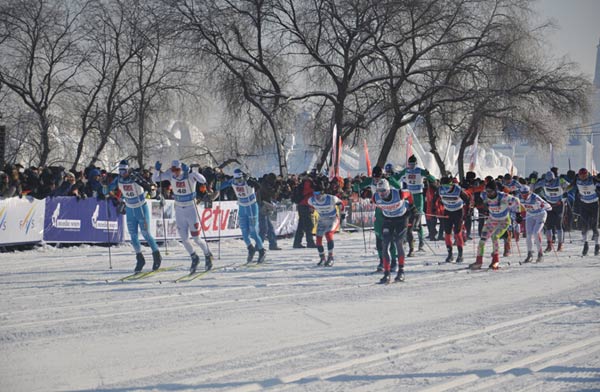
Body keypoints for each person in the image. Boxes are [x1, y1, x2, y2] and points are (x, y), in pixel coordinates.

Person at [153, 160, 213, 273]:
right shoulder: (171, 175)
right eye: (173, 169)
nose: (175, 172)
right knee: (184, 239)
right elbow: (155, 179)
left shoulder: (190, 175)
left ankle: (207, 254)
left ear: (181, 168)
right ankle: (194, 257)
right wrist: (156, 170)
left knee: (196, 238)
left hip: (191, 209)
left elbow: (203, 180)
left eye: (177, 170)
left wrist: (191, 171)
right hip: (179, 209)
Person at [106, 160, 162, 273]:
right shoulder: (119, 179)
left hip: (141, 208)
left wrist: (154, 192)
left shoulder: (135, 177)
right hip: (130, 209)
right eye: (120, 171)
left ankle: (156, 255)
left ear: (128, 169)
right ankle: (140, 258)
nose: (122, 173)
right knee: (133, 236)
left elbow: (147, 185)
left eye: (124, 171)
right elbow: (108, 189)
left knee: (146, 233)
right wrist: (104, 186)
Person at [469, 180, 521, 270]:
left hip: (504, 221)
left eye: (490, 191)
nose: (488, 193)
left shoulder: (503, 196)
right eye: (487, 191)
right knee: (482, 240)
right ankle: (478, 261)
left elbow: (516, 200)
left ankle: (495, 260)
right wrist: (474, 204)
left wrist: (518, 214)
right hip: (492, 220)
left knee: (495, 237)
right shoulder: (484, 194)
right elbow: (476, 196)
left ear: (495, 190)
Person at [220, 168, 266, 263]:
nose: (239, 182)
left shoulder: (247, 181)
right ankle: (250, 249)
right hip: (242, 207)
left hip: (251, 207)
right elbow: (219, 187)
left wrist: (252, 182)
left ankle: (262, 251)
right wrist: (218, 180)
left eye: (240, 179)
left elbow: (259, 187)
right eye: (237, 180)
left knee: (253, 232)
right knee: (244, 233)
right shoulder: (232, 181)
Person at [393, 155, 436, 251]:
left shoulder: (420, 170)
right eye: (409, 164)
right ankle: (406, 240)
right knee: (406, 217)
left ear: (416, 164)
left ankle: (421, 242)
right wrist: (391, 177)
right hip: (409, 196)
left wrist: (428, 174)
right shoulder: (406, 170)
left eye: (412, 164)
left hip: (418, 196)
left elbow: (433, 179)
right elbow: (397, 177)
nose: (411, 166)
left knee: (418, 218)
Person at [372, 179, 410, 284]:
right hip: (388, 220)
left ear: (388, 189)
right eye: (379, 191)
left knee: (398, 242)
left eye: (383, 190)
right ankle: (386, 273)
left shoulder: (399, 193)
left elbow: (409, 195)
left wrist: (412, 207)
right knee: (385, 244)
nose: (382, 194)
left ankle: (401, 271)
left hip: (401, 219)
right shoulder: (376, 198)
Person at [307, 180, 343, 266]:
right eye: (315, 193)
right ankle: (322, 258)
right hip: (322, 220)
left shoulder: (331, 198)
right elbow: (310, 207)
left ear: (323, 193)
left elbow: (341, 203)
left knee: (328, 234)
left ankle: (330, 257)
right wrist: (311, 211)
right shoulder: (311, 200)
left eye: (318, 193)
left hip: (332, 218)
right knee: (318, 239)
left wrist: (343, 215)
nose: (317, 196)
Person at [534, 170, 568, 252]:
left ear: (554, 178)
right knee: (548, 225)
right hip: (549, 205)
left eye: (551, 181)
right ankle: (549, 244)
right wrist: (533, 181)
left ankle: (560, 244)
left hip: (559, 205)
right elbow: (533, 188)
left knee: (558, 225)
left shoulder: (559, 180)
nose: (550, 183)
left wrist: (564, 184)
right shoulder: (544, 182)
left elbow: (568, 187)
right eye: (548, 181)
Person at [438, 176, 470, 263]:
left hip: (458, 212)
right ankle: (450, 254)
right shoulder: (440, 189)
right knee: (447, 233)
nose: (446, 189)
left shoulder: (458, 190)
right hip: (447, 211)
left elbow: (467, 200)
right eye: (444, 186)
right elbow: (437, 199)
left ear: (452, 185)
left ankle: (460, 254)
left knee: (457, 232)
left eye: (448, 186)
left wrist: (468, 212)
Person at [518, 185, 551, 263]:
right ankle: (530, 254)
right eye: (522, 193)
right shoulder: (519, 197)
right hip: (530, 215)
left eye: (526, 193)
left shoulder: (535, 197)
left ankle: (540, 254)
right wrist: (517, 215)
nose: (524, 195)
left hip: (540, 215)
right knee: (528, 235)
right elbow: (514, 206)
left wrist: (543, 206)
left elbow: (549, 207)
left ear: (529, 192)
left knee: (536, 233)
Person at [572, 168, 600, 256]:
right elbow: (569, 187)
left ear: (587, 174)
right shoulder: (577, 180)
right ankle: (585, 244)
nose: (583, 177)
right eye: (581, 175)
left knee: (594, 226)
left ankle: (597, 245)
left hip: (594, 205)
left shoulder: (593, 180)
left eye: (584, 175)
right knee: (584, 226)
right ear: (579, 175)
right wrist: (564, 191)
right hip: (584, 205)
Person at [292, 173, 317, 249]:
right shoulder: (308, 184)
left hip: (302, 205)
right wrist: (311, 206)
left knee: (302, 225)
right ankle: (310, 242)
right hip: (305, 205)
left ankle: (297, 242)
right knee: (309, 225)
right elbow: (308, 195)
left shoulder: (304, 184)